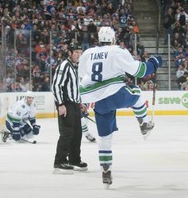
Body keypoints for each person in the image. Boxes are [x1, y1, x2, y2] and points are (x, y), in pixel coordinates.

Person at [78, 26, 162, 188]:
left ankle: (106, 171)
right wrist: (154, 63)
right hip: (115, 94)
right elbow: (140, 71)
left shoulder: (87, 53)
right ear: (113, 39)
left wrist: (84, 102)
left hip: (98, 101)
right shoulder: (117, 50)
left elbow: (83, 75)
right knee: (136, 94)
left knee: (105, 138)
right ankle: (144, 124)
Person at [52, 42, 88, 175]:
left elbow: (75, 88)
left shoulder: (75, 67)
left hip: (74, 104)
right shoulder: (65, 66)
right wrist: (61, 104)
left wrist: (79, 102)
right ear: (69, 53)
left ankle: (74, 160)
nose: (79, 55)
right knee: (66, 133)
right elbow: (56, 86)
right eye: (76, 52)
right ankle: (59, 161)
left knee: (77, 133)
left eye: (80, 52)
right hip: (65, 104)